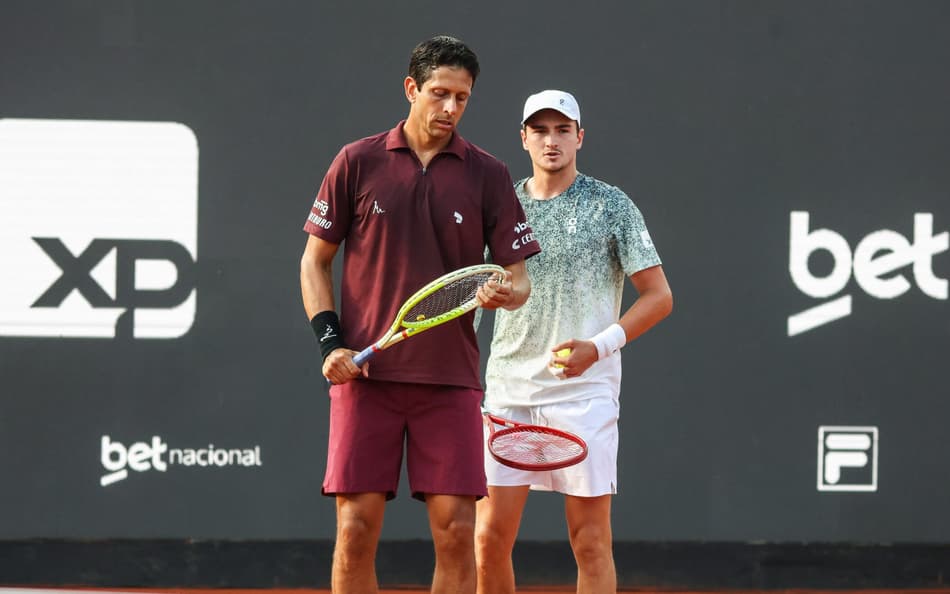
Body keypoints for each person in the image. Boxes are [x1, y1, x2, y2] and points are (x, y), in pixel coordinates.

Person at [299, 36, 540, 594]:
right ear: (412, 89)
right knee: (356, 528)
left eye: (462, 97)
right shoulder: (356, 161)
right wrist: (330, 344)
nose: (450, 108)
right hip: (366, 377)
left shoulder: (489, 174)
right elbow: (315, 262)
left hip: (450, 381)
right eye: (439, 93)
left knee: (456, 531)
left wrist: (506, 291)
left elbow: (519, 278)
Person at [474, 90, 673, 594]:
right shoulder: (499, 207)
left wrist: (598, 347)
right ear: (523, 138)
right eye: (540, 130)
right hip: (508, 393)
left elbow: (659, 297)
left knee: (589, 542)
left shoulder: (612, 205)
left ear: (580, 137)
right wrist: (487, 297)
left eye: (562, 130)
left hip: (584, 396)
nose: (551, 140)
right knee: (489, 539)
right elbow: (474, 296)